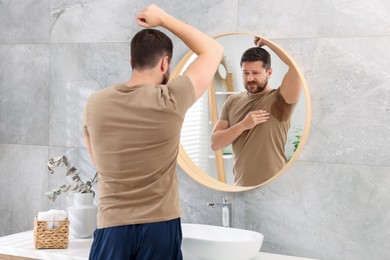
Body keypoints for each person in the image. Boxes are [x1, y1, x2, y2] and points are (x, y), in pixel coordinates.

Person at [82, 4, 223, 260]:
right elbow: (213, 49)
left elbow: (98, 160)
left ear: (131, 62)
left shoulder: (95, 103)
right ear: (165, 62)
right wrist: (163, 18)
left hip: (112, 227)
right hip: (160, 227)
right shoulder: (170, 98)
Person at [211, 36, 301, 187]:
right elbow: (215, 143)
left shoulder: (280, 98)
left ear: (269, 72)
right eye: (246, 73)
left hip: (276, 187)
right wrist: (243, 125)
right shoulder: (232, 101)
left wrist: (268, 42)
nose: (250, 78)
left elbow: (296, 67)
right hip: (241, 187)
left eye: (256, 73)